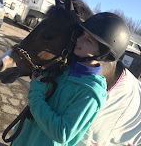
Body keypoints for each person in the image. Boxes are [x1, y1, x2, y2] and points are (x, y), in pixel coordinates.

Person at [11, 12, 130, 146]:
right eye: (82, 34)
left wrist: (36, 96)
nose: (79, 39)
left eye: (88, 40)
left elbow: (62, 133)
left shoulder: (90, 94)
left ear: (103, 55)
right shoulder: (64, 69)